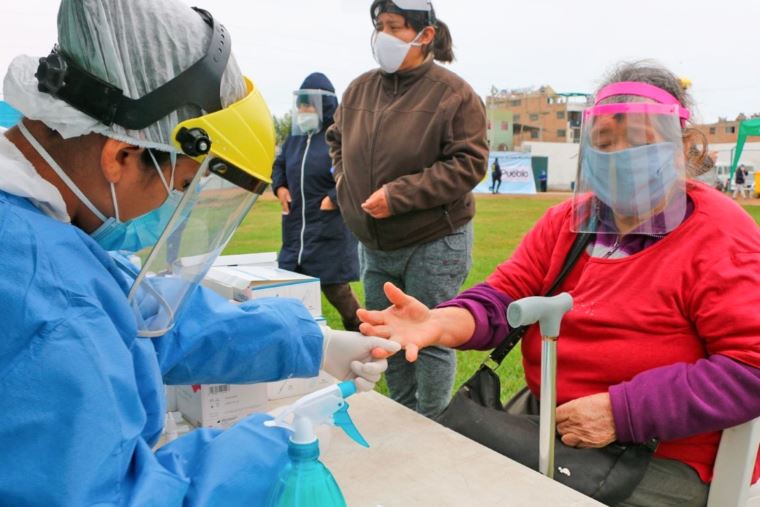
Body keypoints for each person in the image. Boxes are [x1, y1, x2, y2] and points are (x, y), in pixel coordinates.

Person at [0, 1, 399, 505]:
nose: (171, 208)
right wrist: (273, 445)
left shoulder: (38, 223)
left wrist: (311, 344)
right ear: (120, 157)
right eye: (182, 184)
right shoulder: (49, 305)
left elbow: (137, 316)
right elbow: (105, 495)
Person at [358, 62, 760, 506]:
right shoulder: (570, 223)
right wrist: (439, 321)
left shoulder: (722, 235)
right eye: (605, 143)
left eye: (639, 141)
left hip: (665, 453)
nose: (619, 157)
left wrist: (622, 413)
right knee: (437, 480)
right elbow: (502, 298)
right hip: (550, 422)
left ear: (684, 147)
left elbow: (752, 367)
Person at [326, 0, 488, 418]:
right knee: (385, 334)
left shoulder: (454, 94)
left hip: (432, 240)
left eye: (394, 27)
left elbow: (469, 164)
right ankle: (400, 415)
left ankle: (434, 423)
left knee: (426, 339)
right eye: (379, 26)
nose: (382, 36)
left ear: (425, 35)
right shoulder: (359, 88)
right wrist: (346, 183)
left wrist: (398, 196)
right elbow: (336, 139)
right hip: (374, 243)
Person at [273, 73, 362, 331]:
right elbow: (279, 164)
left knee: (336, 291)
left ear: (324, 107)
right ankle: (301, 342)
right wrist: (279, 187)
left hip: (327, 229)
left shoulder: (340, 138)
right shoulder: (295, 139)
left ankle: (363, 334)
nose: (303, 110)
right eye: (300, 104)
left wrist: (333, 199)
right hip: (296, 230)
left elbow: (356, 173)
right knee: (290, 290)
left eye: (308, 104)